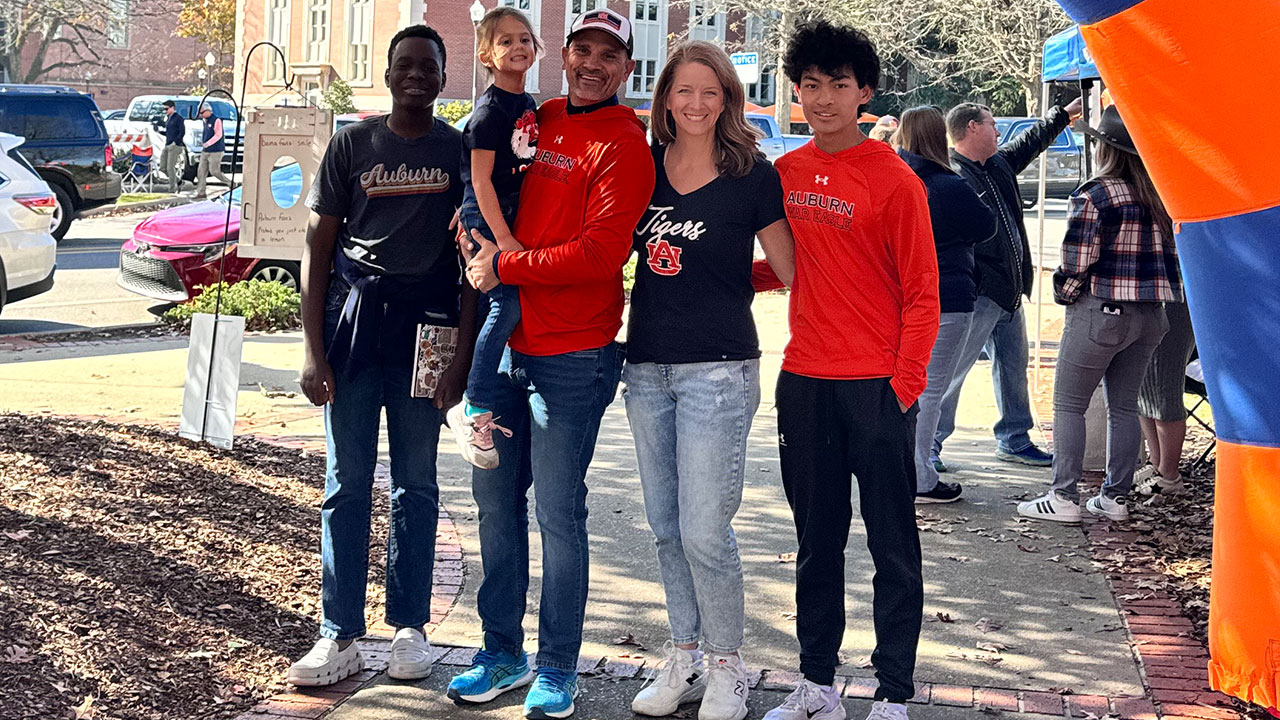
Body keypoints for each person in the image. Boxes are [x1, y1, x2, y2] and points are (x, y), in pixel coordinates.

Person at [445, 8, 655, 719]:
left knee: (558, 515)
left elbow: (601, 255)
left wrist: (506, 263)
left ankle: (558, 667)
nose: (594, 62)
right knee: (497, 511)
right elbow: (486, 180)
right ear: (565, 55)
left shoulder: (628, 145)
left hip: (573, 356)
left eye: (609, 54)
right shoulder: (541, 116)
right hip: (506, 352)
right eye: (583, 49)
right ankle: (500, 653)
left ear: (627, 68)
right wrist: (474, 235)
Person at [754, 21, 939, 720]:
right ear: (796, 93)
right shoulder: (788, 173)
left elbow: (924, 292)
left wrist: (903, 387)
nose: (823, 98)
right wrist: (712, 276)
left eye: (838, 85)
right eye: (811, 85)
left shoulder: (894, 180)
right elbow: (786, 267)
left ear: (864, 92)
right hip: (804, 383)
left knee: (893, 545)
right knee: (816, 543)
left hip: (877, 388)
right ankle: (816, 686)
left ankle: (893, 691)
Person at [287, 25, 476, 688]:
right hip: (356, 328)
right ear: (391, 73)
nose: (417, 76)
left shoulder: (459, 152)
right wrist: (313, 352)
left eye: (429, 66)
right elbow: (315, 250)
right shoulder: (353, 145)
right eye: (406, 65)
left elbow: (473, 263)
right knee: (346, 483)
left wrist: (461, 359)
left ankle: (409, 630)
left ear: (442, 76)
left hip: (430, 330)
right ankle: (337, 633)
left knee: (416, 483)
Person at [624, 41, 795, 720]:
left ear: (728, 99)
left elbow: (790, 269)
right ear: (665, 97)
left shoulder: (752, 174)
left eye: (711, 92)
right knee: (666, 527)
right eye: (683, 91)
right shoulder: (641, 170)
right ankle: (685, 656)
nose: (696, 104)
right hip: (646, 369)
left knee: (704, 529)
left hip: (719, 372)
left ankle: (729, 666)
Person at [1018, 105, 1178, 524]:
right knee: (1124, 406)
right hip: (1150, 315)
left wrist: (1065, 293)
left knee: (1069, 404)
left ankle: (1063, 495)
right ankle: (1115, 497)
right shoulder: (1160, 195)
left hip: (1102, 310)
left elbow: (1075, 260)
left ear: (1104, 147)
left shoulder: (1095, 194)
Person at [931, 97, 1083, 471]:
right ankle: (929, 444)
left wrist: (1063, 114)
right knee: (952, 371)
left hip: (1009, 293)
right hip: (979, 294)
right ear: (972, 128)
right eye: (992, 123)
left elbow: (1030, 142)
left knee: (1013, 367)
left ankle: (1014, 438)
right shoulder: (953, 177)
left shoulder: (996, 165)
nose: (998, 131)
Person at [445, 6, 542, 469]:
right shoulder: (487, 114)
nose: (518, 47)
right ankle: (474, 408)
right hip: (490, 221)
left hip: (508, 219)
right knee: (507, 306)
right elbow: (480, 182)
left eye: (525, 38)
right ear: (486, 53)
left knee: (500, 310)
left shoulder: (527, 106)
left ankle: (485, 397)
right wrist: (503, 241)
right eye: (506, 41)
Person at [892, 106, 995, 504]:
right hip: (947, 294)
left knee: (901, 384)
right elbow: (985, 227)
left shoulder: (895, 180)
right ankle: (919, 474)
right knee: (930, 389)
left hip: (899, 294)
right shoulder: (950, 186)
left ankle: (899, 466)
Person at [1134, 292, 1196, 495]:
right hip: (1151, 291)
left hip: (1176, 296)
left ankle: (1169, 474)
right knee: (1143, 386)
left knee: (1164, 385)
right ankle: (1156, 462)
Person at [194, 104, 232, 199]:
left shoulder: (217, 120)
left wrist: (208, 143)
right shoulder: (204, 121)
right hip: (205, 151)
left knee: (214, 171)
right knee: (201, 171)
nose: (201, 115)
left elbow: (218, 135)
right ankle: (201, 193)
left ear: (208, 111)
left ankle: (231, 183)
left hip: (216, 150)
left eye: (202, 112)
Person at [160, 100, 185, 194]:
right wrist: (159, 131)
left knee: (170, 167)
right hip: (167, 144)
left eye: (166, 109)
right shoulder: (168, 118)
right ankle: (178, 181)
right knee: (163, 167)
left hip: (175, 146)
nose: (165, 111)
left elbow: (182, 132)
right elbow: (169, 132)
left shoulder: (179, 118)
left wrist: (175, 142)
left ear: (172, 108)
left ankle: (172, 190)